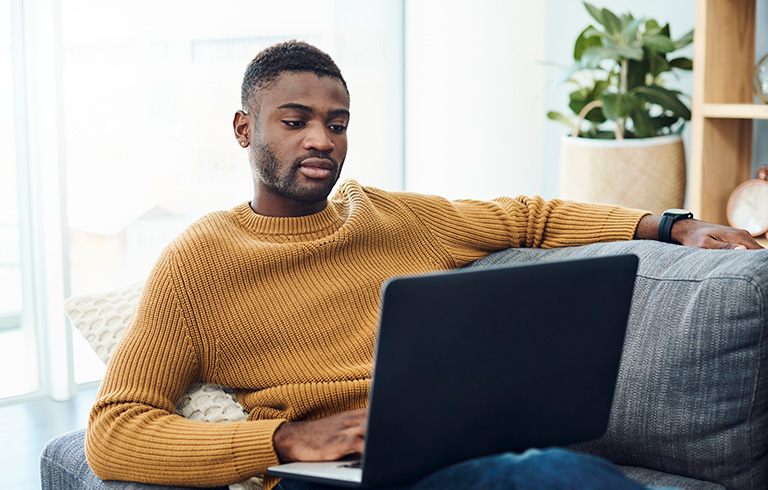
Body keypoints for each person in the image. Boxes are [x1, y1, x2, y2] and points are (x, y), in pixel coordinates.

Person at [84, 40, 762, 490]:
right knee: (554, 475)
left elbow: (529, 215)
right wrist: (284, 441)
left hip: (450, 451)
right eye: (294, 121)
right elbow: (114, 431)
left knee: (547, 468)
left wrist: (672, 224)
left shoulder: (393, 216)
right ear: (245, 130)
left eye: (337, 121)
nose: (322, 139)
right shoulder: (199, 262)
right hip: (332, 477)